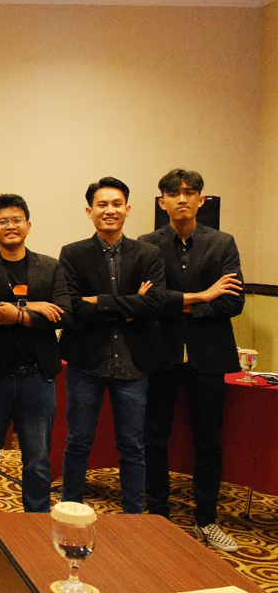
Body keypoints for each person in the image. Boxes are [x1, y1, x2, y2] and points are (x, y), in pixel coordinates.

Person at [139, 169, 244, 551]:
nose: (181, 198)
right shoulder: (147, 245)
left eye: (189, 192)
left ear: (201, 199)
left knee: (209, 441)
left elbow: (233, 301)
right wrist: (203, 295)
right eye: (173, 193)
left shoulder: (222, 243)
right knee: (154, 438)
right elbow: (148, 302)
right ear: (162, 201)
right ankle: (158, 515)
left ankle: (207, 519)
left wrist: (181, 306)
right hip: (161, 354)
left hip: (208, 357)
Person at [58, 176, 166, 514]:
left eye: (117, 204)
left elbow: (155, 304)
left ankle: (132, 515)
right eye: (102, 204)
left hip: (134, 363)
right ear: (89, 211)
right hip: (86, 362)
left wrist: (100, 302)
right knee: (78, 441)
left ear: (127, 209)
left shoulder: (148, 253)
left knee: (133, 445)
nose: (110, 210)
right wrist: (130, 304)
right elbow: (72, 307)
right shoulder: (73, 253)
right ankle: (71, 507)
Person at [0, 194, 71, 547]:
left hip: (37, 376)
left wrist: (17, 314)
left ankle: (37, 521)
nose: (10, 226)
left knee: (38, 459)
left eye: (16, 220)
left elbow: (64, 313)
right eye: (3, 221)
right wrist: (33, 308)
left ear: (28, 225)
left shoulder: (50, 267)